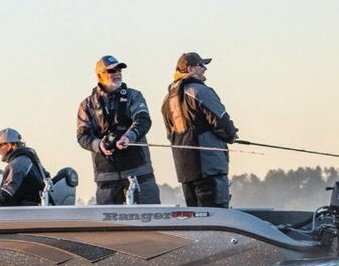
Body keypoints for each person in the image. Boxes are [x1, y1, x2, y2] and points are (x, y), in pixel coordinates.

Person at [75, 55, 162, 204]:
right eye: (112, 71)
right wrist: (100, 145)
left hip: (138, 171)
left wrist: (128, 137)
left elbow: (143, 120)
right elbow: (82, 136)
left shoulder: (134, 96)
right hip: (106, 175)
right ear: (99, 75)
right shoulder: (87, 105)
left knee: (149, 214)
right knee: (106, 219)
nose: (117, 73)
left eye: (119, 69)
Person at [161, 52, 238, 207]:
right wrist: (232, 135)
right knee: (216, 215)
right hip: (209, 167)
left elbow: (170, 135)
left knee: (196, 218)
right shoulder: (200, 91)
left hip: (185, 171)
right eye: (201, 65)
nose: (205, 69)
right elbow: (221, 121)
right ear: (190, 69)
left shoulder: (167, 100)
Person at [0, 128, 48, 207]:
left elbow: (6, 199)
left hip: (24, 213)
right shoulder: (30, 161)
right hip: (33, 212)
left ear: (8, 146)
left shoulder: (18, 165)